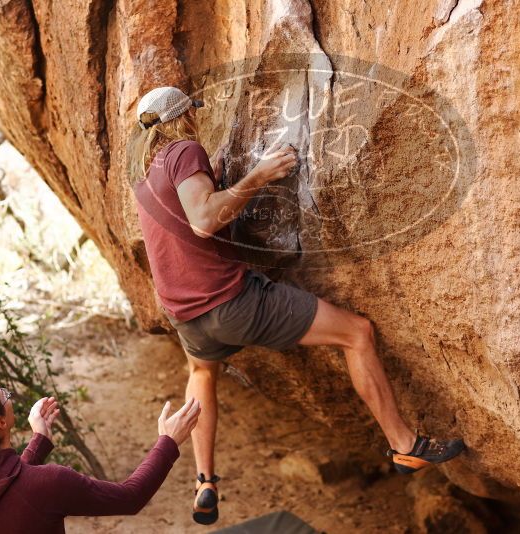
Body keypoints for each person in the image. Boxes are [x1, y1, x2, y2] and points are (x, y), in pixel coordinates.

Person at [128, 86, 465, 525]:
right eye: (191, 114)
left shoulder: (146, 177)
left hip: (187, 318)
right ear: (180, 119)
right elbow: (205, 221)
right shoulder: (183, 151)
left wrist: (227, 182)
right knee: (357, 333)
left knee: (201, 373)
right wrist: (260, 176)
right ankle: (405, 445)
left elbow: (188, 227)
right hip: (232, 304)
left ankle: (205, 480)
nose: (195, 122)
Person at [0, 377, 200, 533]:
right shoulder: (51, 482)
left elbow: (10, 495)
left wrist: (39, 441)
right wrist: (168, 441)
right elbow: (130, 498)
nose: (7, 395)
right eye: (4, 394)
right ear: (1, 423)